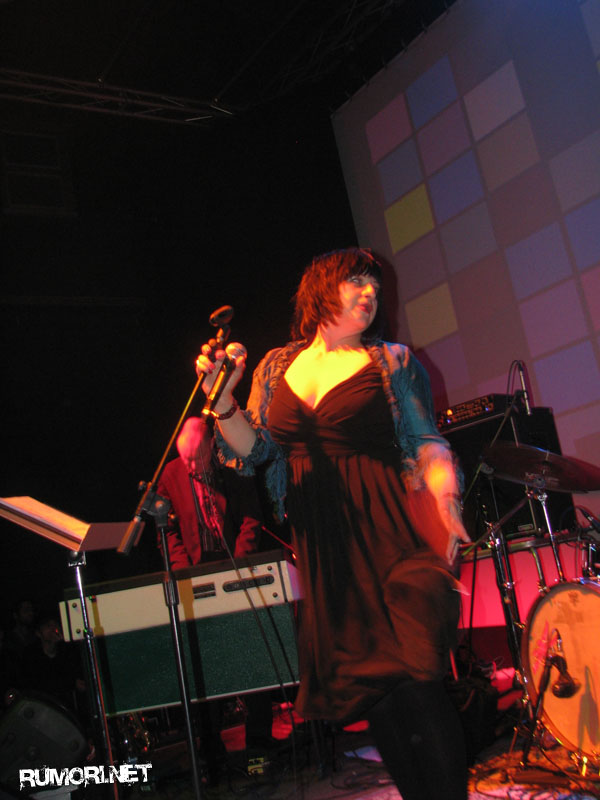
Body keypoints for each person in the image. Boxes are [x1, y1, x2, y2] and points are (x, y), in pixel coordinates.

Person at [188, 247, 471, 800]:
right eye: (356, 282)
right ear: (320, 289)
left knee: (415, 682)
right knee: (375, 690)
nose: (369, 294)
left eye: (375, 288)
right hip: (325, 546)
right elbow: (254, 452)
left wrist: (446, 493)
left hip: (389, 529)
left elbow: (426, 440)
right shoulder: (276, 367)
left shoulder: (391, 361)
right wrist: (221, 402)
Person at [156, 421, 276, 780]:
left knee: (254, 664)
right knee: (205, 672)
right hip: (195, 574)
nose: (192, 467)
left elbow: (252, 516)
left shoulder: (232, 462)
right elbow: (167, 531)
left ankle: (259, 751)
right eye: (186, 460)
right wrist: (181, 569)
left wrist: (240, 562)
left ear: (211, 444)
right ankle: (212, 760)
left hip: (235, 564)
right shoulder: (170, 473)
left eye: (197, 459)